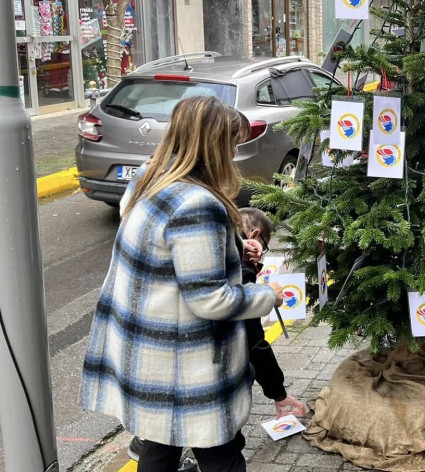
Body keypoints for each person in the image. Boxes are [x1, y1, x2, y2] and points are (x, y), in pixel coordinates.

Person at [81, 96, 285, 472]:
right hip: (185, 362)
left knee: (158, 446)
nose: (236, 154)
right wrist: (266, 295)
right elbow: (210, 300)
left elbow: (165, 254)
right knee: (219, 454)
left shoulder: (149, 178)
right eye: (233, 145)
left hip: (145, 348)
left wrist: (236, 249)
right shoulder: (197, 204)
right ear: (215, 146)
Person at [239, 208, 310, 419]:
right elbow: (255, 342)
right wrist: (279, 394)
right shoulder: (242, 270)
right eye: (265, 248)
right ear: (253, 237)